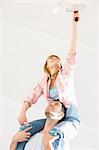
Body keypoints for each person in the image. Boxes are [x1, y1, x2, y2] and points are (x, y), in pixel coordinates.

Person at [16, 11, 80, 150]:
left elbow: (72, 53)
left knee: (55, 134)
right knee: (24, 131)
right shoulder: (44, 82)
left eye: (56, 58)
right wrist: (23, 111)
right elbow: (31, 97)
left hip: (68, 116)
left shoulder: (66, 74)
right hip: (54, 116)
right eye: (50, 58)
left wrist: (74, 24)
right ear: (46, 65)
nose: (54, 58)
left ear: (60, 64)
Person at [10, 101, 76, 150]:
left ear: (60, 115)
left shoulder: (61, 140)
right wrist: (14, 141)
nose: (51, 104)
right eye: (50, 103)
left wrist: (47, 144)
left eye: (56, 104)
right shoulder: (31, 135)